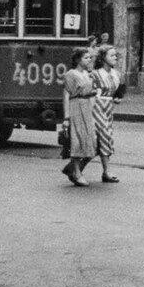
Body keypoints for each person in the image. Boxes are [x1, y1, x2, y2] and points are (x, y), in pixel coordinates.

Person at [61, 47, 98, 186]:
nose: (89, 60)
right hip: (76, 106)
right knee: (77, 140)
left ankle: (72, 169)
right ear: (77, 59)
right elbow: (66, 95)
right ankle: (77, 172)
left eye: (90, 58)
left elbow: (92, 92)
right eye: (86, 58)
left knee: (90, 140)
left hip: (87, 107)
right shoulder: (71, 74)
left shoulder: (89, 74)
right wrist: (66, 118)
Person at [90, 46, 124, 183]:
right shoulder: (95, 74)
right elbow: (92, 92)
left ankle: (76, 168)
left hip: (109, 107)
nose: (115, 58)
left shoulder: (117, 74)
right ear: (103, 58)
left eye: (115, 55)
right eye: (111, 56)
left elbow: (120, 89)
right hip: (97, 106)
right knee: (104, 136)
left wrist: (118, 97)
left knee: (106, 137)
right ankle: (107, 171)